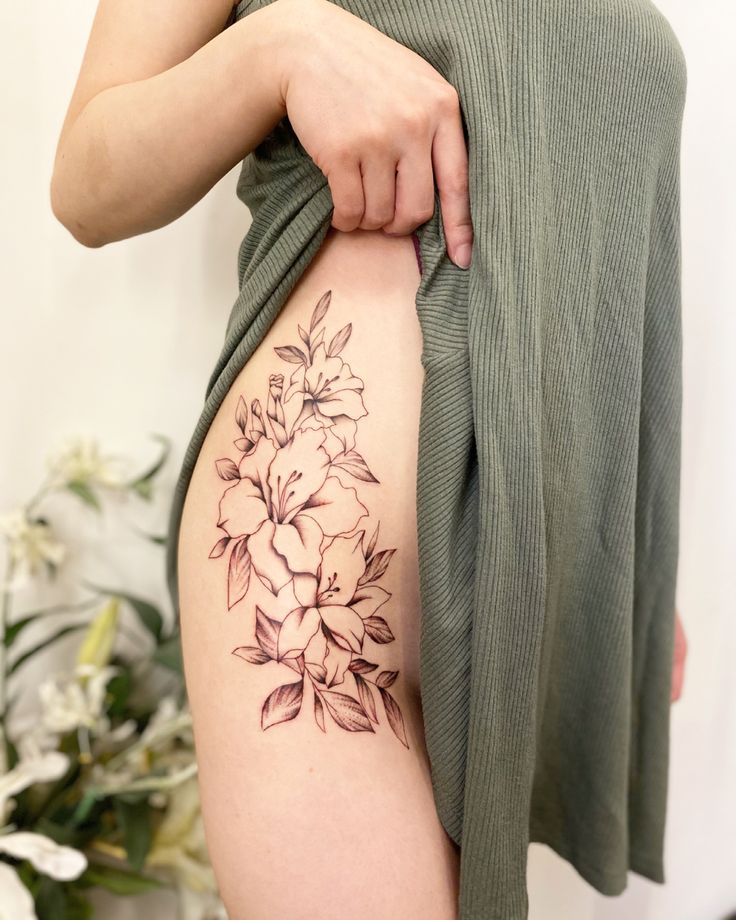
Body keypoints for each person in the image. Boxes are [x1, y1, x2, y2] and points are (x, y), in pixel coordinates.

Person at [50, 0, 688, 917]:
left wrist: (629, 541)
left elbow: (599, 250)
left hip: (530, 565)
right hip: (312, 552)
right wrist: (282, 45)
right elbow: (86, 183)